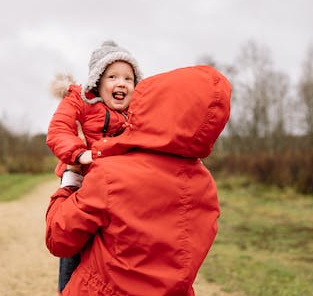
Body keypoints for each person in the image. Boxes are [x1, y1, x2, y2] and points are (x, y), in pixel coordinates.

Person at [46, 65, 231, 296]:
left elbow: (59, 239)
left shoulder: (110, 175)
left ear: (153, 106)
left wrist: (72, 174)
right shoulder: (205, 187)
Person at [46, 40, 143, 293]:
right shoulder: (80, 101)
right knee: (74, 238)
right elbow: (58, 130)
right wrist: (79, 154)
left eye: (128, 78)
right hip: (82, 180)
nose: (121, 83)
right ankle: (67, 288)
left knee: (111, 244)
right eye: (113, 76)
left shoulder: (136, 113)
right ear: (98, 81)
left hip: (115, 185)